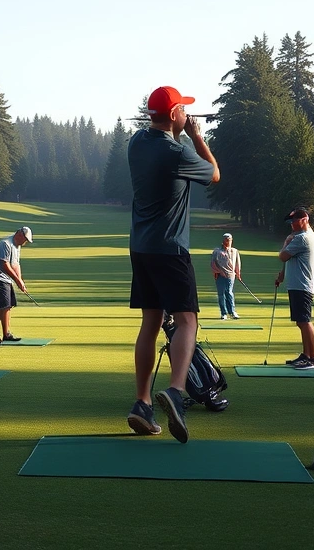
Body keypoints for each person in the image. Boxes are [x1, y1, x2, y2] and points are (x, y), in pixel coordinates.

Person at [125, 86, 220, 443]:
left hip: (141, 249)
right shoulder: (177, 152)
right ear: (176, 112)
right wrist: (197, 136)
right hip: (171, 249)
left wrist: (177, 129)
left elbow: (163, 133)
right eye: (183, 109)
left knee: (150, 322)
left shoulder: (137, 143)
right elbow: (213, 174)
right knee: (187, 321)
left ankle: (142, 404)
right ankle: (176, 393)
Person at [276, 207, 314, 370]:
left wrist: (286, 242)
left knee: (305, 321)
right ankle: (306, 354)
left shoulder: (302, 238)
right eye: (291, 222)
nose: (292, 225)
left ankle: (313, 358)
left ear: (305, 220)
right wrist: (282, 274)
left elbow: (283, 255)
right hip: (297, 284)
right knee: (301, 322)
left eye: (294, 222)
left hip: (302, 285)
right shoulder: (301, 236)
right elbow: (290, 260)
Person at [0, 226, 33, 342]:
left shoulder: (17, 246)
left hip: (6, 280)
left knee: (7, 306)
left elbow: (16, 265)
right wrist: (17, 280)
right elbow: (4, 265)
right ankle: (6, 334)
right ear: (19, 234)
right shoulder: (5, 244)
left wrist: (20, 281)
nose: (25, 242)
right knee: (5, 306)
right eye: (25, 239)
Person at [210, 232, 242, 320]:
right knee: (221, 294)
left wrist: (238, 274)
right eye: (226, 240)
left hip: (230, 275)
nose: (228, 242)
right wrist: (219, 271)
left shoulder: (234, 251)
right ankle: (223, 313)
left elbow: (237, 263)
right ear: (223, 240)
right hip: (220, 276)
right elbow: (213, 264)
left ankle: (232, 312)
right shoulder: (217, 251)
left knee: (229, 293)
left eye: (230, 240)